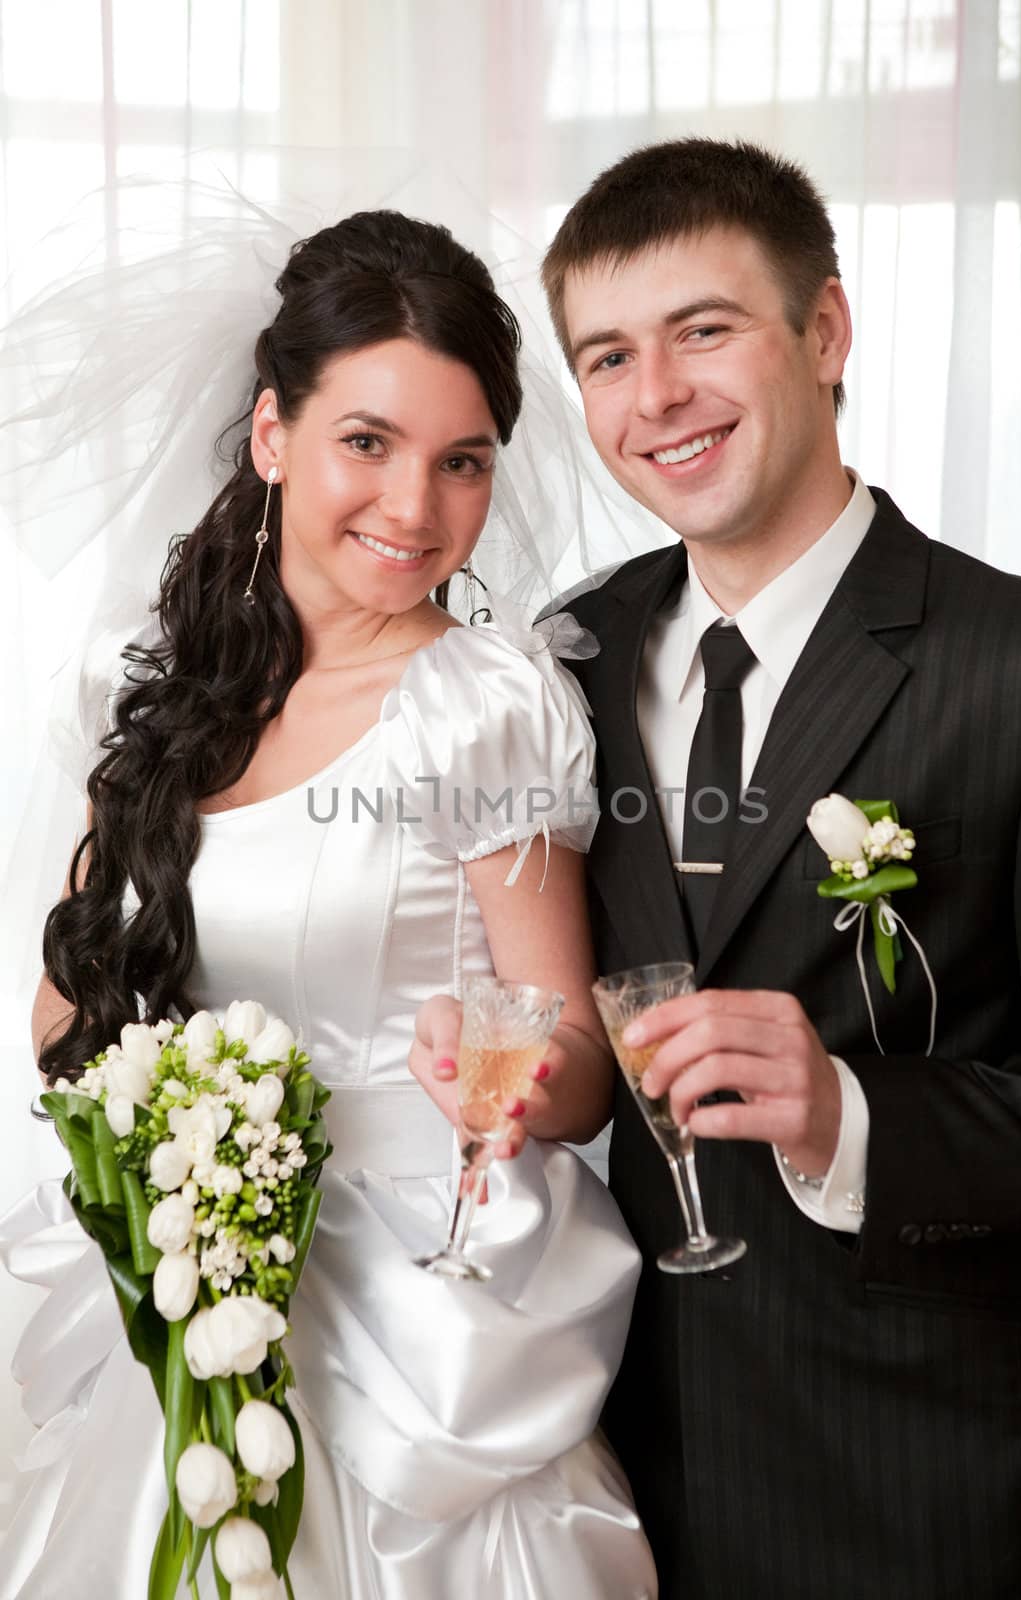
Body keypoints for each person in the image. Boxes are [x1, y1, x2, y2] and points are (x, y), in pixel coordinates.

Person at [419, 137, 1021, 1597]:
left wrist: (850, 1111)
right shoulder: (560, 667)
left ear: (824, 332)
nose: (657, 399)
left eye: (704, 331)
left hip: (937, 1494)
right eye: (608, 356)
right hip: (631, 1482)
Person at [0, 209, 658, 1598]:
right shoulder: (157, 683)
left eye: (462, 462)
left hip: (419, 1315)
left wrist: (511, 1080)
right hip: (189, 1268)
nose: (415, 510)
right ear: (271, 435)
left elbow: (586, 1071)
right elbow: (69, 1008)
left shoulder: (484, 704)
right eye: (369, 442)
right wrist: (153, 1123)